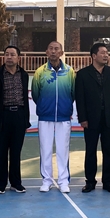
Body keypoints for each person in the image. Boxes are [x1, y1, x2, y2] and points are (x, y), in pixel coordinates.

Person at [76, 42, 110, 194]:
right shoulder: (83, 74)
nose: (106, 55)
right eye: (103, 53)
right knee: (91, 151)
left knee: (108, 151)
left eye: (107, 53)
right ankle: (90, 182)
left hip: (109, 118)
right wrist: (83, 118)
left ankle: (108, 182)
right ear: (94, 56)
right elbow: (80, 98)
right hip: (90, 119)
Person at [0, 45, 31, 194]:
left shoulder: (23, 75)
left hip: (19, 116)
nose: (9, 57)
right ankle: (1, 184)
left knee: (16, 152)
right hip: (2, 117)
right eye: (7, 54)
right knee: (1, 152)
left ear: (18, 58)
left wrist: (24, 117)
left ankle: (16, 183)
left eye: (12, 54)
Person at [31, 41, 75, 193]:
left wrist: (65, 106)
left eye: (56, 49)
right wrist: (44, 106)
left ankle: (63, 181)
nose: (53, 51)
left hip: (64, 116)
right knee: (45, 149)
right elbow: (35, 94)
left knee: (63, 150)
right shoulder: (40, 72)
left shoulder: (70, 72)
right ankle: (47, 180)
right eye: (51, 49)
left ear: (61, 53)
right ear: (46, 52)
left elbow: (73, 93)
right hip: (45, 116)